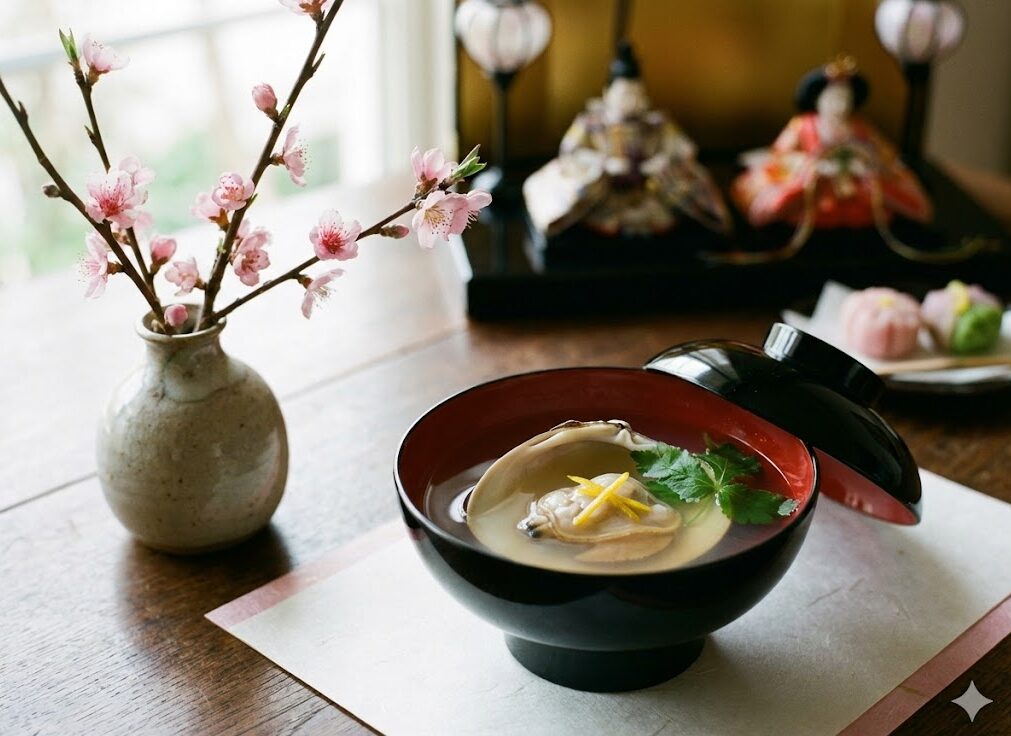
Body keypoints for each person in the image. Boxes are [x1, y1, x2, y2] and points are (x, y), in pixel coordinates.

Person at [524, 42, 730, 238]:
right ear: (607, 94)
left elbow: (684, 150)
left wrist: (661, 162)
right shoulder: (592, 123)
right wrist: (604, 164)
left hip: (648, 192)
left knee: (684, 191)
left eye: (637, 94)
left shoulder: (656, 123)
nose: (632, 101)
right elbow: (571, 152)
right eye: (625, 95)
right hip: (605, 194)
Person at [732, 55, 932, 232]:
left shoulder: (860, 128)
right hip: (816, 188)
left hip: (855, 188)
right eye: (834, 97)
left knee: (895, 194)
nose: (841, 104)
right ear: (819, 100)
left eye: (846, 98)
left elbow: (885, 156)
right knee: (775, 202)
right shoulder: (803, 126)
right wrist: (813, 166)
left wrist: (866, 164)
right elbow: (781, 156)